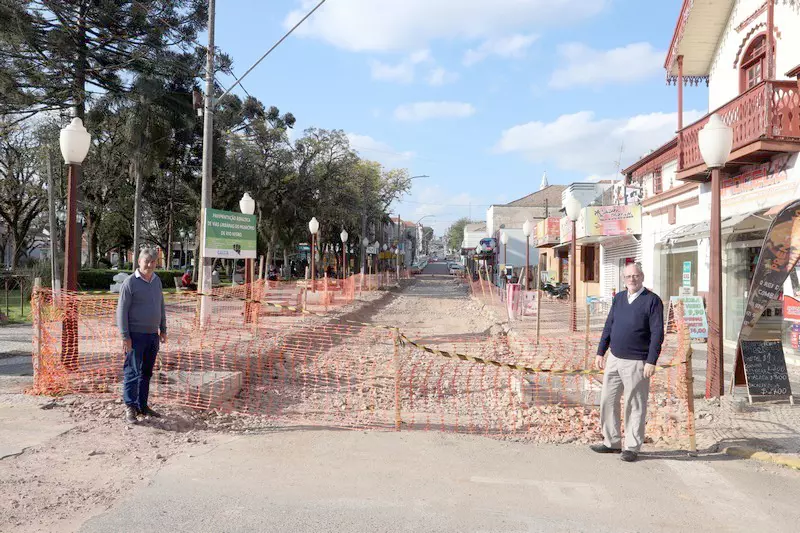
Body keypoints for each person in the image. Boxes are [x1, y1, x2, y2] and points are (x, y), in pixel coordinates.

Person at [591, 262, 664, 462]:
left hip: (637, 362)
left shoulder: (652, 301)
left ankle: (631, 446)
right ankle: (611, 442)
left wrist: (651, 361)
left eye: (636, 275)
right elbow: (609, 325)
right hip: (614, 358)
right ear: (624, 279)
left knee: (635, 405)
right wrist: (601, 352)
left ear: (642, 277)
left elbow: (657, 333)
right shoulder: (619, 298)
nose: (632, 279)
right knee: (608, 400)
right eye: (628, 276)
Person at [116, 248, 168, 424]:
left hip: (152, 335)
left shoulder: (156, 281)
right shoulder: (130, 283)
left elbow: (161, 305)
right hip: (135, 336)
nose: (150, 265)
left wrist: (163, 329)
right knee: (132, 372)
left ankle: (142, 405)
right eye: (147, 261)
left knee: (146, 372)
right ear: (139, 261)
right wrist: (125, 336)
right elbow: (121, 311)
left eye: (153, 262)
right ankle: (130, 406)